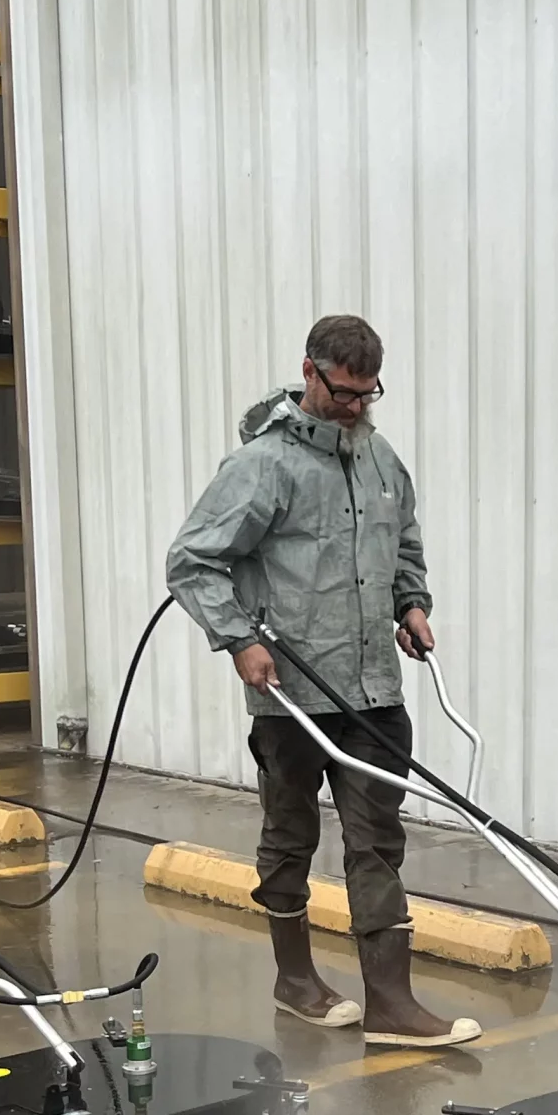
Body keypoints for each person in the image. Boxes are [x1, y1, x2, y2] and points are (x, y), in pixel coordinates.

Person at [166, 314, 480, 1050]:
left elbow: (405, 541)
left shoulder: (381, 460)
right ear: (310, 373)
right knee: (291, 835)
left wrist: (412, 604)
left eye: (369, 394)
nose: (357, 407)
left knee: (378, 842)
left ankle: (392, 1002)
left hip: (374, 689)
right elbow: (192, 561)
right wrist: (239, 639)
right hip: (292, 695)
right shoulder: (262, 467)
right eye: (344, 393)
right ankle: (296, 979)